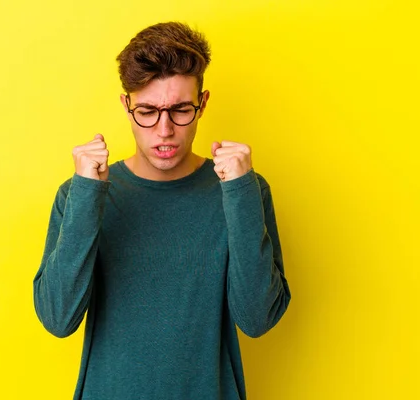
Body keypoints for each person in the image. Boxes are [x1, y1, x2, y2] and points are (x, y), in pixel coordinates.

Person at [33, 21, 291, 400]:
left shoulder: (242, 190)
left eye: (181, 109)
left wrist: (238, 192)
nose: (165, 129)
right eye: (148, 111)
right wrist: (88, 194)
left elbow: (257, 319)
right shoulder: (80, 194)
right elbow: (58, 318)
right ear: (126, 105)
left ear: (202, 104)